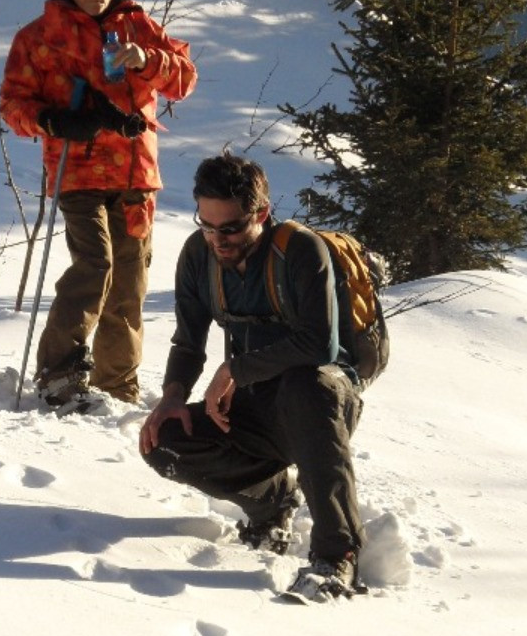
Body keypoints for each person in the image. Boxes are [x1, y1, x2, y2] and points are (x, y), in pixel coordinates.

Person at [137, 153, 366, 601]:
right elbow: (188, 342)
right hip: (252, 404)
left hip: (324, 402)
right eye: (206, 224)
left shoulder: (299, 250)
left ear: (260, 213)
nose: (217, 238)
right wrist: (171, 398)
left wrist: (233, 370)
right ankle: (271, 504)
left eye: (231, 228)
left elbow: (319, 343)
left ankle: (336, 556)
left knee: (306, 385)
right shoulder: (198, 255)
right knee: (165, 438)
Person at [0, 0, 196, 411]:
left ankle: (118, 388)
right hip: (77, 172)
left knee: (128, 288)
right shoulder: (38, 37)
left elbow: (184, 79)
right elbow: (12, 105)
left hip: (135, 176)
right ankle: (59, 371)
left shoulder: (138, 25)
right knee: (95, 265)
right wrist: (49, 119)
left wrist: (148, 60)